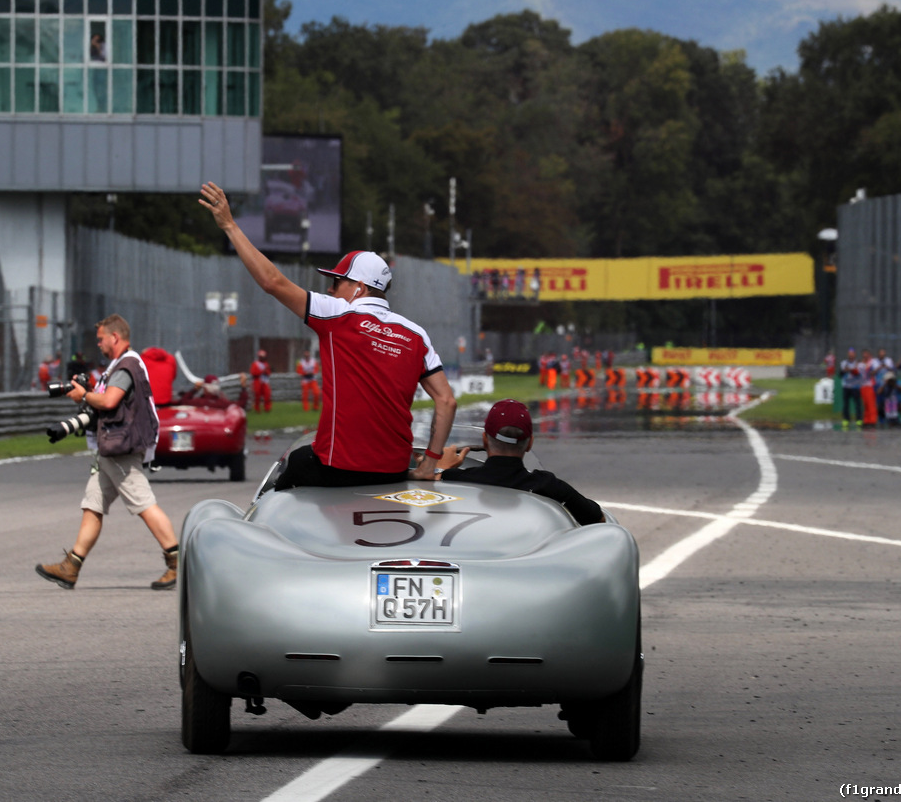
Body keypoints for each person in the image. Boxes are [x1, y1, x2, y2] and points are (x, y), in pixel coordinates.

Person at [199, 182, 456, 487]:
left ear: (358, 287)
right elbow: (447, 400)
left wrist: (229, 225)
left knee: (283, 477)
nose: (330, 289)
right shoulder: (416, 334)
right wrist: (430, 462)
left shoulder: (336, 313)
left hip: (339, 468)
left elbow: (272, 282)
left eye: (337, 282)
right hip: (394, 470)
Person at [35, 314, 179, 591]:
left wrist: (84, 396)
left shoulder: (125, 366)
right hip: (110, 448)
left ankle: (176, 561)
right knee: (94, 505)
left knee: (144, 504)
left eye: (100, 339)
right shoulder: (120, 365)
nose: (98, 344)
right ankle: (71, 567)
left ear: (115, 337)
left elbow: (110, 400)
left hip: (120, 449)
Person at [435, 399, 604, 525]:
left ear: (485, 440)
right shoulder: (550, 486)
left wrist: (441, 470)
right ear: (529, 443)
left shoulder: (455, 479)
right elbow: (598, 521)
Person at [840, 347, 863, 428]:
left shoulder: (859, 363)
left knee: (857, 404)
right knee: (846, 404)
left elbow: (857, 373)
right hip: (846, 386)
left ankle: (859, 420)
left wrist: (849, 369)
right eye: (849, 354)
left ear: (855, 354)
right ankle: (846, 419)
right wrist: (845, 371)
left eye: (852, 354)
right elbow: (841, 374)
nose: (851, 356)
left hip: (855, 386)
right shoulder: (844, 363)